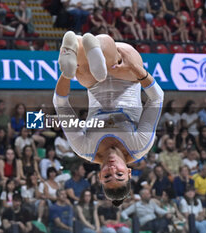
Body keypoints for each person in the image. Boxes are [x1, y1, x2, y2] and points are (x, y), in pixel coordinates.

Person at [53, 31, 163, 205]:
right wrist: (136, 68)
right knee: (105, 46)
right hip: (126, 74)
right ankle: (87, 50)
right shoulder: (140, 144)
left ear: (99, 176)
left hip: (94, 82)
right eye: (119, 174)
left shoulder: (83, 148)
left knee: (85, 60)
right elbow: (156, 98)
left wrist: (67, 75)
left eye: (107, 176)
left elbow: (61, 105)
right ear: (128, 172)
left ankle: (77, 51)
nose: (112, 169)